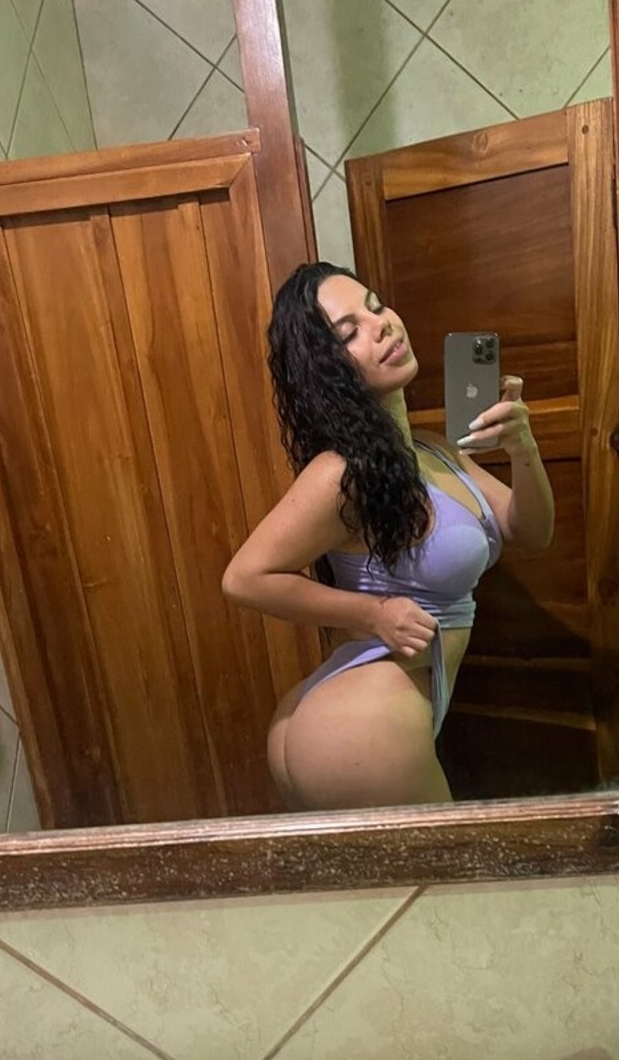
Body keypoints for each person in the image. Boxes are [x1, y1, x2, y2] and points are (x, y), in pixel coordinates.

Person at [222, 261, 555, 811]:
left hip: (369, 716)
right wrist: (373, 614)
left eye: (376, 307)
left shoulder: (431, 448)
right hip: (361, 726)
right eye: (349, 332)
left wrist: (524, 448)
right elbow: (243, 578)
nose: (381, 325)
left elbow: (530, 531)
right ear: (328, 370)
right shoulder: (342, 472)